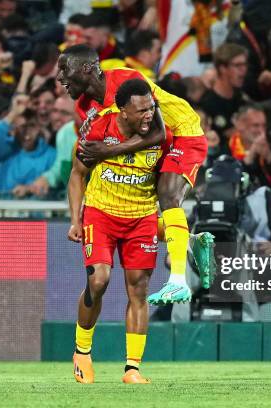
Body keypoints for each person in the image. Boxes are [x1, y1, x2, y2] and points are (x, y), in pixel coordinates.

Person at [57, 44, 214, 305]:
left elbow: (158, 132)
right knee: (135, 213)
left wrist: (107, 151)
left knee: (168, 196)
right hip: (148, 149)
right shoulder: (86, 107)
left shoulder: (127, 80)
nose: (60, 77)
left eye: (64, 68)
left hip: (181, 133)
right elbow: (101, 144)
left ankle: (177, 281)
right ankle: (189, 242)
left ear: (86, 68)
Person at [67, 79, 170, 384]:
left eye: (151, 108)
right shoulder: (98, 129)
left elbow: (172, 179)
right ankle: (82, 352)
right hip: (100, 214)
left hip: (142, 218)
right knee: (98, 280)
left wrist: (171, 222)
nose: (149, 115)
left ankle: (132, 369)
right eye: (141, 111)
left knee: (138, 289)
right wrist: (75, 219)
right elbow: (77, 175)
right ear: (122, 111)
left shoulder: (162, 136)